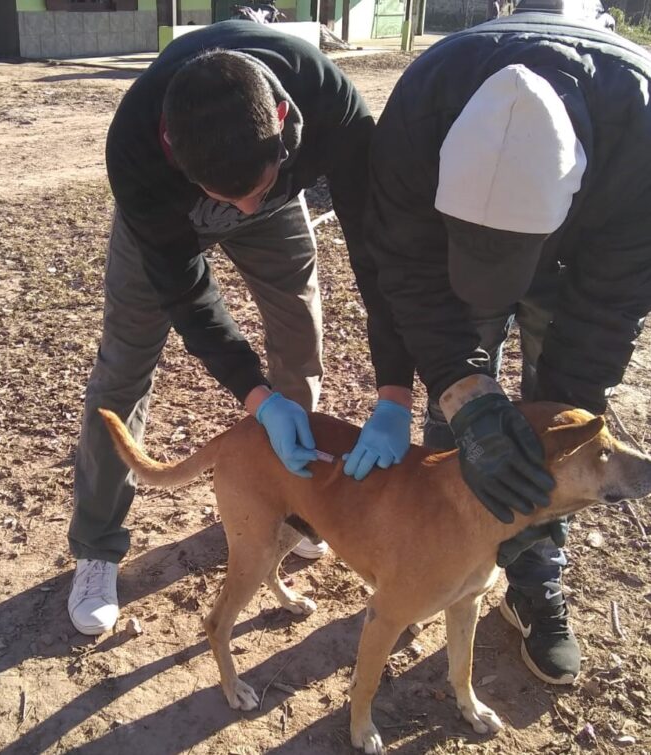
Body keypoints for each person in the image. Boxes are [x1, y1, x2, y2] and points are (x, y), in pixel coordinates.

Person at [353, 9, 651, 684]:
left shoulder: (640, 137)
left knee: (557, 436)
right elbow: (405, 267)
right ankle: (432, 554)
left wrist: (563, 417)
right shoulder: (420, 109)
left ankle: (532, 577)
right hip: (445, 252)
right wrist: (462, 388)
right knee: (463, 417)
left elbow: (608, 308)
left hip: (581, 265)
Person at [67, 20, 385, 635]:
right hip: (167, 222)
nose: (238, 211)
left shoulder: (328, 99)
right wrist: (256, 397)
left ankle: (292, 504)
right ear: (170, 145)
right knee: (126, 363)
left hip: (281, 197)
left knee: (300, 336)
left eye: (251, 191)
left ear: (285, 118)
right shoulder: (135, 144)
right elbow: (189, 296)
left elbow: (374, 245)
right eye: (225, 196)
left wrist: (396, 387)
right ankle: (97, 547)